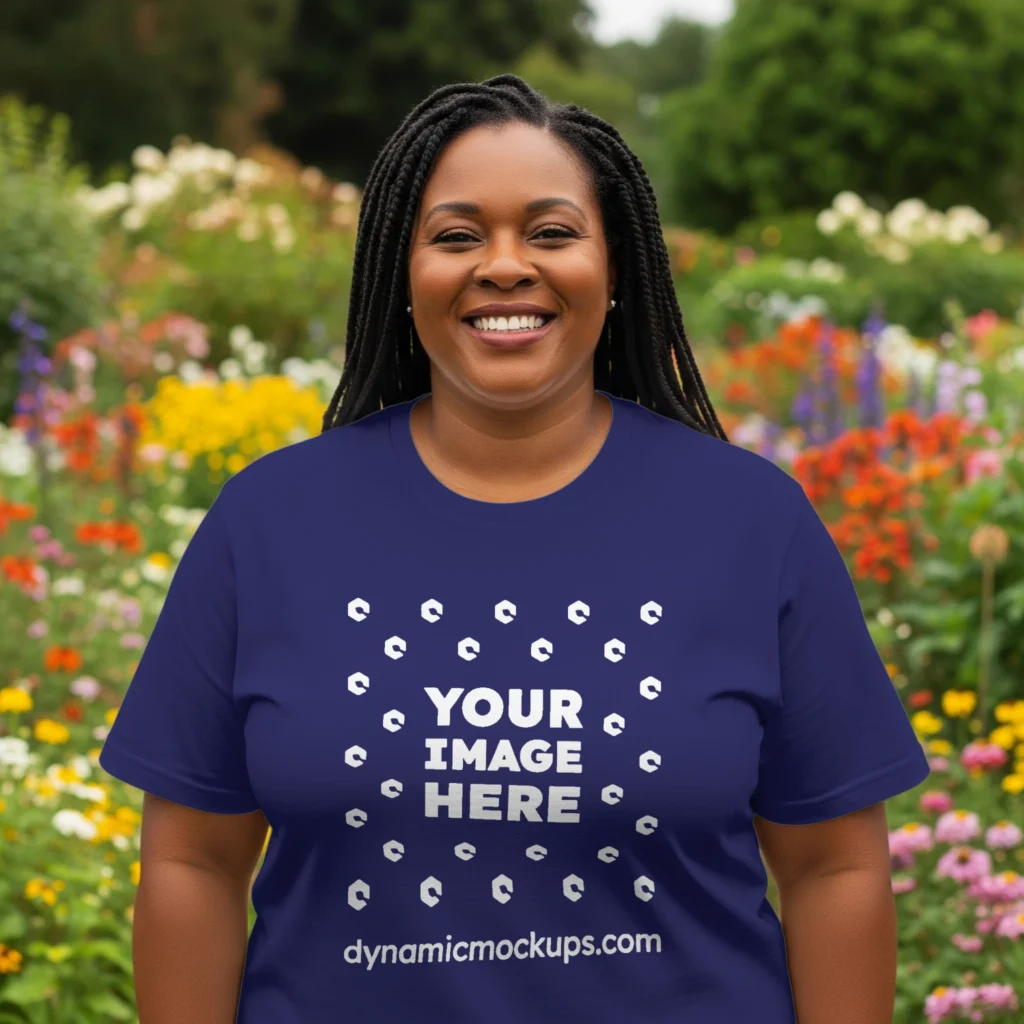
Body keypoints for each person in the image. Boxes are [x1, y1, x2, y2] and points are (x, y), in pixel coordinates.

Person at [99, 73, 930, 1024]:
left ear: (614, 268)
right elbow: (192, 860)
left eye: (551, 232)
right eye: (456, 236)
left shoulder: (754, 523)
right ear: (398, 276)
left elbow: (836, 865)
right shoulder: (268, 523)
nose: (504, 266)